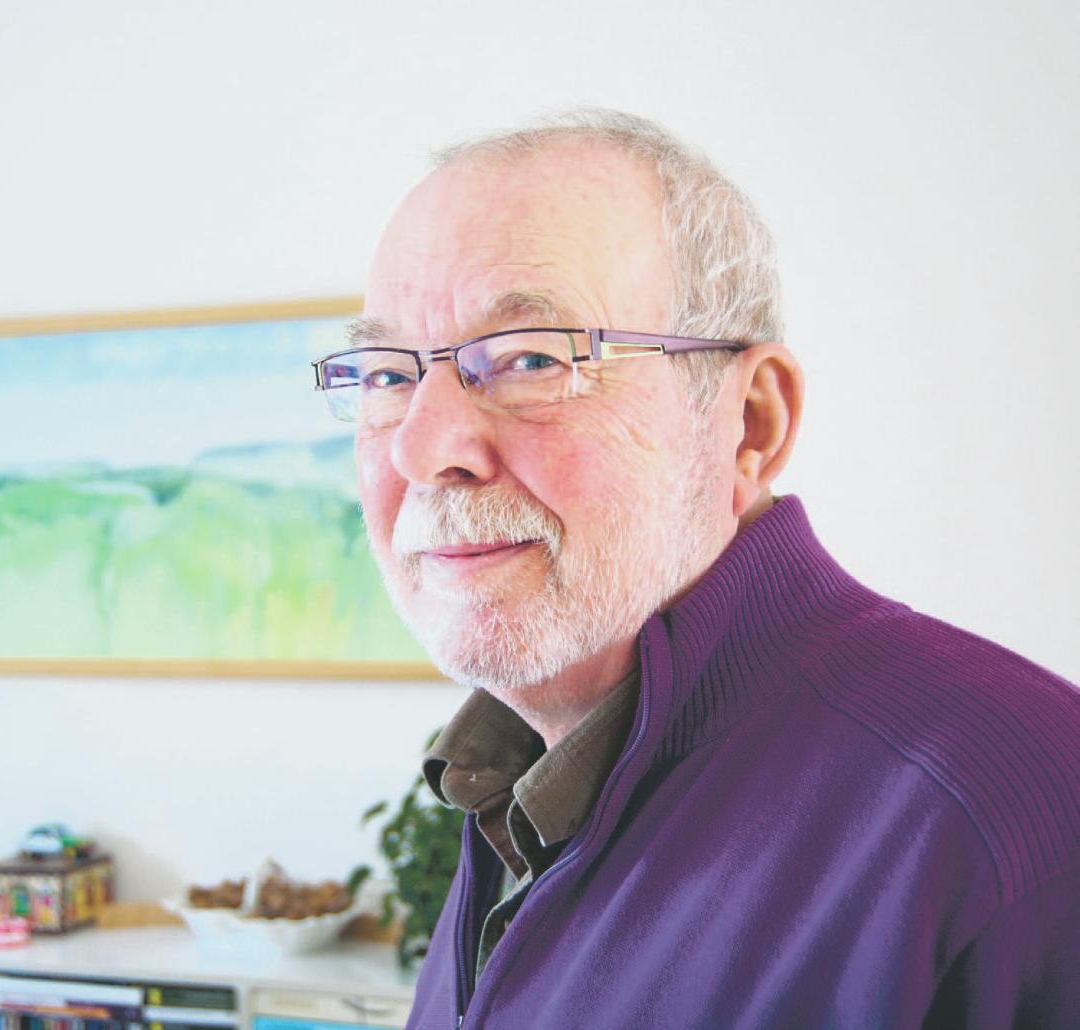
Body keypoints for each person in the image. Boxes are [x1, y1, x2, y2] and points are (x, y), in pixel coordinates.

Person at [310, 110, 1080, 1028]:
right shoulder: (515, 782)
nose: (423, 449)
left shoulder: (1015, 813)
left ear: (749, 423)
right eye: (387, 376)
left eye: (530, 359)